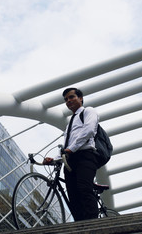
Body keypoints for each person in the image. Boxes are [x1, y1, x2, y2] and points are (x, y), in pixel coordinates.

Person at [62, 87, 100, 221]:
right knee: (73, 195)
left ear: (80, 98)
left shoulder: (89, 111)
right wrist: (53, 158)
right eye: (66, 99)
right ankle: (80, 225)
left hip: (86, 156)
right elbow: (66, 146)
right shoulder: (69, 124)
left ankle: (94, 225)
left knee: (84, 188)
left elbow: (89, 130)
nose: (68, 101)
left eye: (71, 97)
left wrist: (71, 149)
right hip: (70, 160)